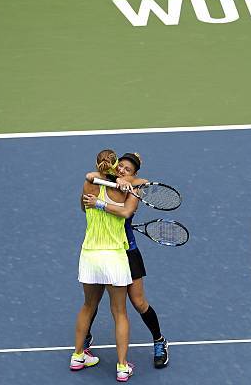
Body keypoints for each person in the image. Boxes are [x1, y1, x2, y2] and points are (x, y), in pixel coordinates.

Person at [83, 152, 170, 369]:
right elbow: (90, 174)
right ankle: (84, 339)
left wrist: (126, 183)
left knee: (138, 302)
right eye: (120, 166)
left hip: (127, 252)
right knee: (94, 300)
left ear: (134, 174)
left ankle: (159, 341)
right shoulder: (105, 180)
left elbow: (131, 205)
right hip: (105, 251)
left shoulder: (135, 189)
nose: (122, 170)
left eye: (128, 169)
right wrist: (117, 179)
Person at [71, 149, 138, 382]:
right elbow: (127, 212)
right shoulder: (125, 191)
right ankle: (121, 367)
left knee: (88, 306)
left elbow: (83, 207)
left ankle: (78, 355)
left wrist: (99, 195)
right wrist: (121, 184)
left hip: (89, 255)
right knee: (119, 312)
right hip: (113, 257)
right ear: (116, 165)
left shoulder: (89, 184)